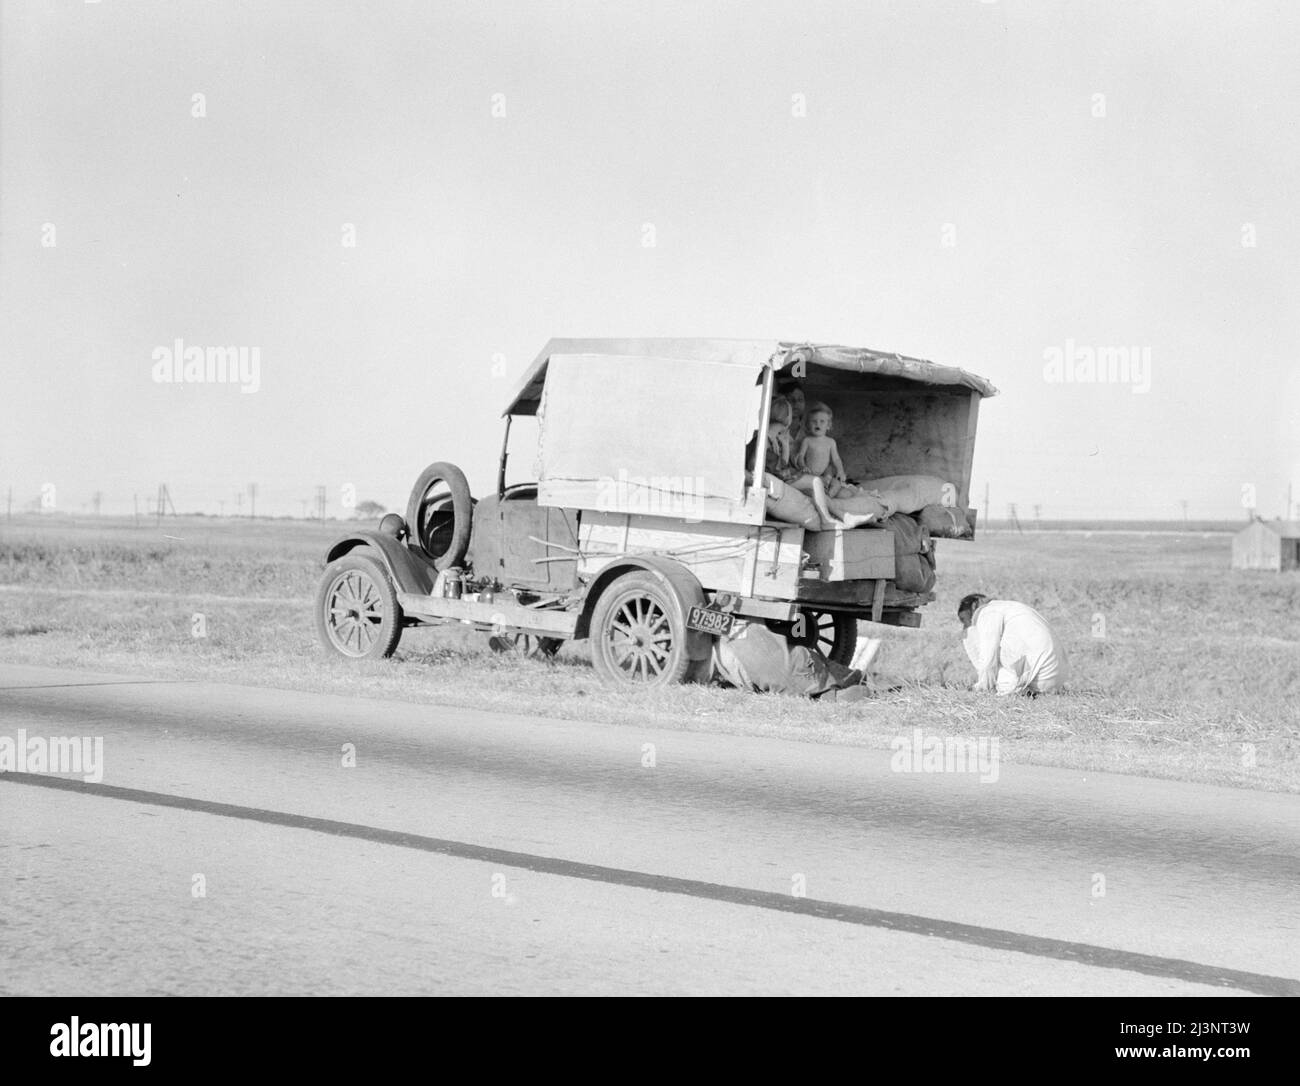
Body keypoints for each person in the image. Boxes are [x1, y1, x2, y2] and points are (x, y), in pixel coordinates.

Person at [957, 593, 1068, 695]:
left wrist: (981, 687)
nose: (966, 625)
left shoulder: (988, 612)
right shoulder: (1009, 607)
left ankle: (1008, 687)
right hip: (1057, 677)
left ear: (974, 606)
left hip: (1040, 674)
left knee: (993, 654)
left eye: (964, 619)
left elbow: (988, 658)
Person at [794, 402, 849, 495]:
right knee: (807, 486)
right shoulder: (807, 440)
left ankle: (829, 494)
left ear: (828, 425)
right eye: (814, 421)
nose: (817, 424)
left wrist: (840, 470)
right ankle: (820, 492)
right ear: (808, 425)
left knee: (835, 482)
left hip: (825, 473)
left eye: (822, 421)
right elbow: (800, 456)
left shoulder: (830, 442)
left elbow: (836, 459)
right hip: (810, 473)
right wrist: (803, 466)